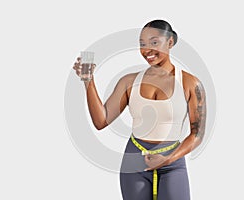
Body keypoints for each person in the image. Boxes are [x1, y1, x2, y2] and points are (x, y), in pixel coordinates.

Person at [72, 19, 206, 200]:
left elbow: (197, 134)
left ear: (170, 42)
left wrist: (167, 159)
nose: (147, 50)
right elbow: (101, 121)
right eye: (142, 44)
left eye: (154, 42)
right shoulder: (129, 82)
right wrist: (88, 81)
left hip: (172, 161)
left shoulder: (190, 83)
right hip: (134, 161)